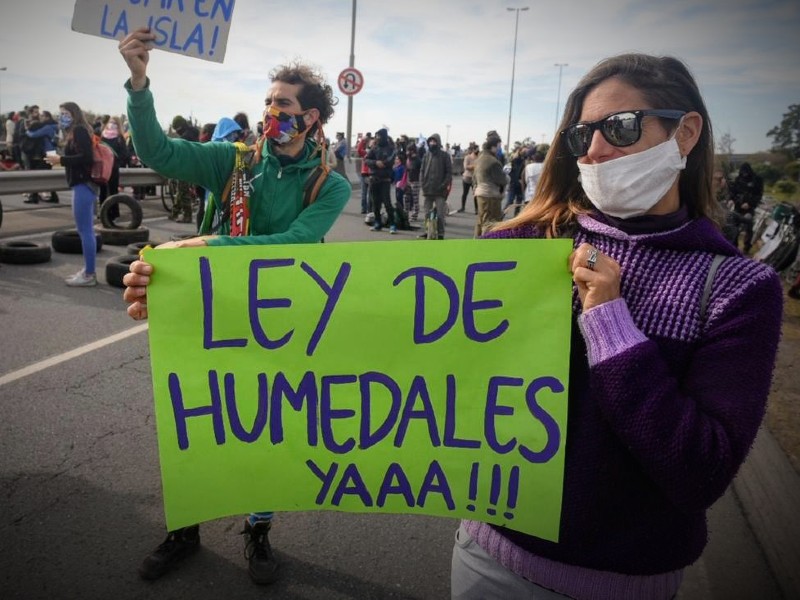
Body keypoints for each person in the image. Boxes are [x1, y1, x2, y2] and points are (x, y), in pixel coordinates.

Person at [451, 53, 783, 600]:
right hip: (491, 559)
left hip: (627, 583)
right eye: (583, 135)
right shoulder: (521, 247)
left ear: (685, 133)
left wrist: (610, 324)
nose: (596, 150)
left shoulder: (738, 288)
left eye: (621, 127)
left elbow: (700, 471)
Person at [118, 26, 351, 585]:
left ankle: (259, 529)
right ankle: (184, 528)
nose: (271, 110)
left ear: (311, 117)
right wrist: (139, 83)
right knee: (193, 421)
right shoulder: (233, 161)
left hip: (280, 323)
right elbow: (157, 151)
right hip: (210, 315)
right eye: (268, 100)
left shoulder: (329, 185)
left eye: (283, 103)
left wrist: (209, 245)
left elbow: (296, 244)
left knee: (268, 428)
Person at [44, 102, 98, 287]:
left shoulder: (80, 130)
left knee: (85, 231)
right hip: (82, 185)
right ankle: (88, 271)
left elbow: (87, 158)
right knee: (85, 230)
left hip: (83, 185)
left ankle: (89, 275)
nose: (62, 117)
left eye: (65, 113)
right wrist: (61, 160)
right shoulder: (76, 131)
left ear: (74, 114)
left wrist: (61, 159)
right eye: (60, 114)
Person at [419, 133, 452, 239]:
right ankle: (427, 231)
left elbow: (449, 173)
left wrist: (443, 185)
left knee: (440, 214)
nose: (432, 143)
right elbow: (422, 170)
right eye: (430, 141)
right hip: (428, 189)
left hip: (440, 190)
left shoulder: (445, 156)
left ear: (438, 142)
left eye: (434, 141)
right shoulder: (426, 155)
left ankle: (441, 233)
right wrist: (422, 183)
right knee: (426, 213)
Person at [472, 134, 506, 238]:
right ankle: (486, 243)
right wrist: (507, 177)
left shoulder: (479, 159)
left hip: (480, 193)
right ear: (493, 147)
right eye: (499, 146)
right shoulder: (493, 161)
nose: (499, 148)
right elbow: (502, 180)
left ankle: (476, 241)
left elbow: (474, 177)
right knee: (490, 222)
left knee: (481, 220)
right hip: (490, 195)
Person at [366, 128, 397, 233]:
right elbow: (366, 160)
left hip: (385, 180)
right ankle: (378, 223)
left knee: (387, 203)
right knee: (375, 203)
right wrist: (375, 163)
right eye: (376, 136)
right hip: (373, 179)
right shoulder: (374, 148)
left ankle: (392, 224)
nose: (377, 138)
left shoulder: (391, 149)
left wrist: (382, 163)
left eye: (379, 136)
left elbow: (390, 161)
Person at [728, 162, 764, 254]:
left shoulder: (756, 180)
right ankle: (734, 246)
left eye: (746, 172)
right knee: (734, 226)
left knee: (748, 226)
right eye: (743, 172)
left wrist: (750, 203)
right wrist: (731, 199)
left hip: (749, 208)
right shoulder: (738, 179)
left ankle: (746, 247)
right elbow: (733, 192)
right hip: (738, 206)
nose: (744, 174)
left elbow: (758, 195)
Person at [98, 116, 130, 217]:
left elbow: (124, 154)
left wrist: (115, 161)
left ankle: (114, 212)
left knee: (113, 191)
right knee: (103, 191)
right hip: (103, 167)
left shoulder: (119, 138)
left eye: (114, 123)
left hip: (113, 168)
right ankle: (103, 212)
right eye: (110, 122)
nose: (111, 125)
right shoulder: (102, 136)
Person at [459, 143, 478, 213]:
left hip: (475, 178)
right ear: (473, 150)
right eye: (476, 149)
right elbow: (466, 167)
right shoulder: (468, 157)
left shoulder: (479, 158)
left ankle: (476, 209)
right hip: (467, 178)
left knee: (476, 194)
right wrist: (474, 166)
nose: (477, 151)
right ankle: (462, 207)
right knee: (465, 193)